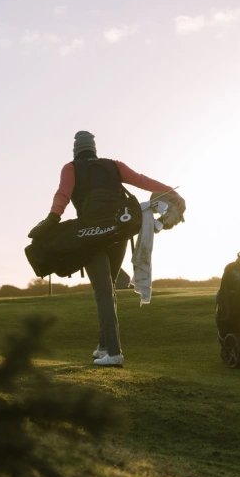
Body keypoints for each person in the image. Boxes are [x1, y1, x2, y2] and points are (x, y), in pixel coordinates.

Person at [28, 131, 185, 367]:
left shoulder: (70, 168)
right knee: (108, 289)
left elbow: (63, 194)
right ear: (93, 149)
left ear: (76, 150)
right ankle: (103, 347)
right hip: (118, 231)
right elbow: (142, 180)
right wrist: (171, 192)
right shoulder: (113, 165)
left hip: (91, 235)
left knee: (103, 291)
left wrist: (52, 219)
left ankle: (114, 353)